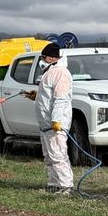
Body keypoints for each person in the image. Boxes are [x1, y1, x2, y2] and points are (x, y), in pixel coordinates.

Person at [24, 42, 73, 195]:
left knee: (58, 155)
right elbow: (49, 96)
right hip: (46, 123)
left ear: (52, 58)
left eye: (44, 57)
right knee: (49, 156)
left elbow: (61, 98)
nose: (42, 60)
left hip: (55, 123)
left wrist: (56, 119)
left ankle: (65, 186)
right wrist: (36, 96)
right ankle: (53, 184)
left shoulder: (61, 73)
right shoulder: (50, 72)